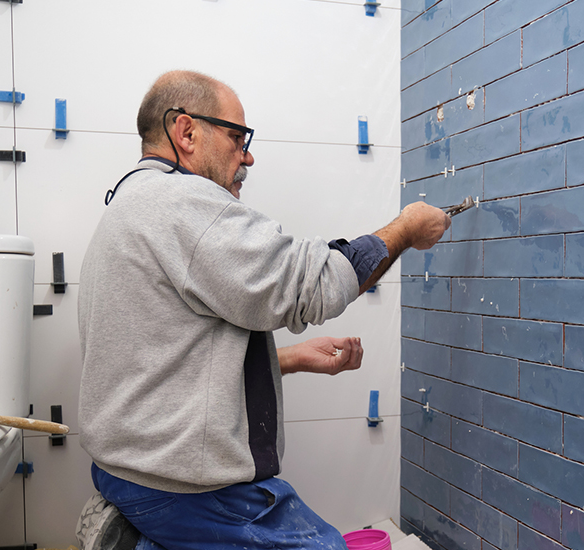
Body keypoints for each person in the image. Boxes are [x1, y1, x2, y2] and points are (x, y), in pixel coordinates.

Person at [75, 70, 450, 550]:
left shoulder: (131, 203)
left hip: (125, 474)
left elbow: (163, 360)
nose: (247, 155)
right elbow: (314, 285)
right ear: (186, 132)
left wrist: (289, 359)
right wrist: (407, 227)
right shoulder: (184, 203)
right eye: (236, 137)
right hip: (184, 490)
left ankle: (139, 536)